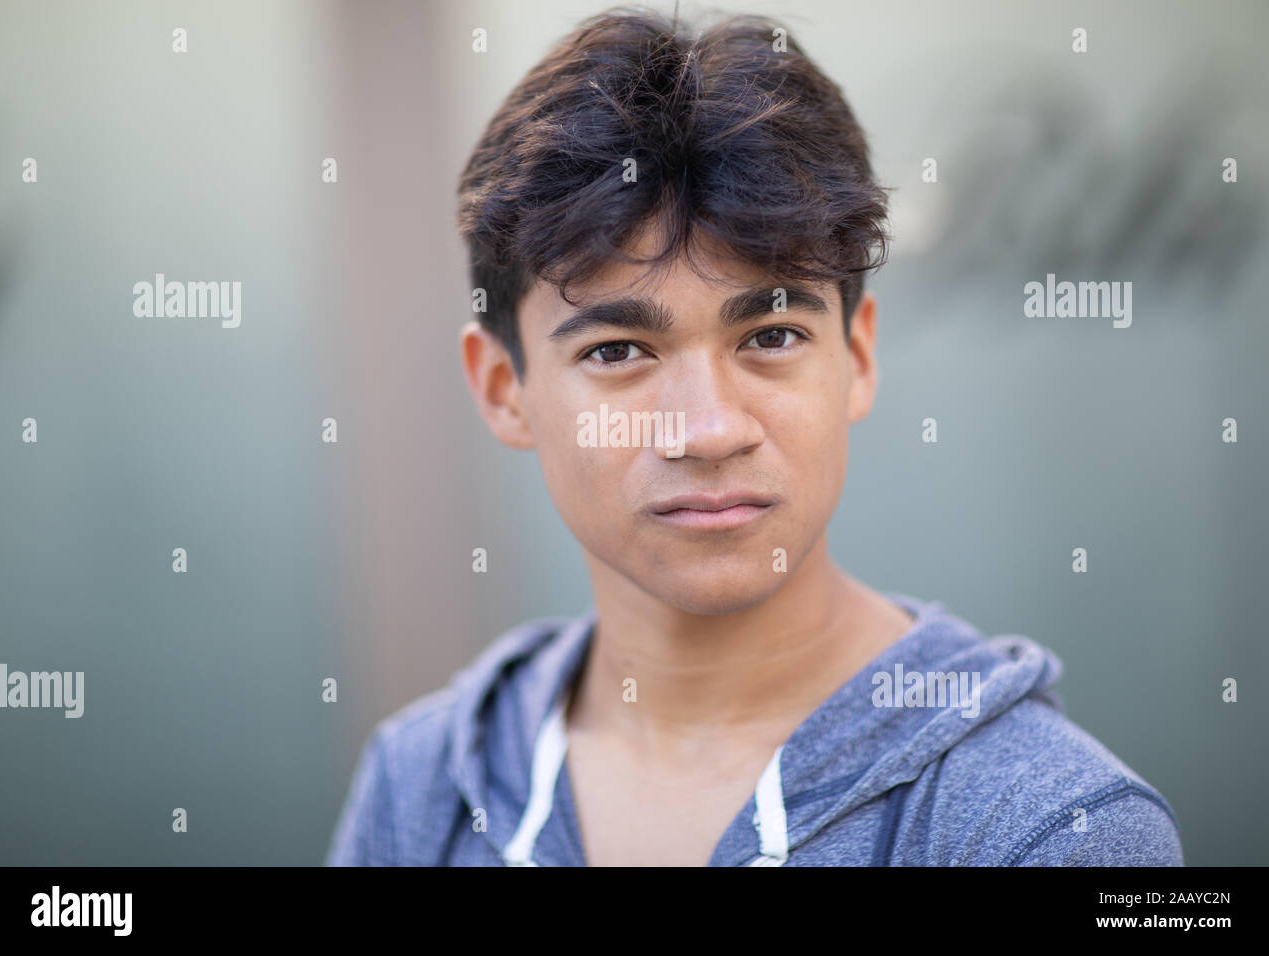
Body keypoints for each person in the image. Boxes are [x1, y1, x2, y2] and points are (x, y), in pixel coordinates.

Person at [326, 7, 1182, 866]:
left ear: (856, 356)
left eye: (771, 336)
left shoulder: (1051, 829)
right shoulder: (421, 791)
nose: (708, 430)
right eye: (617, 350)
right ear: (503, 390)